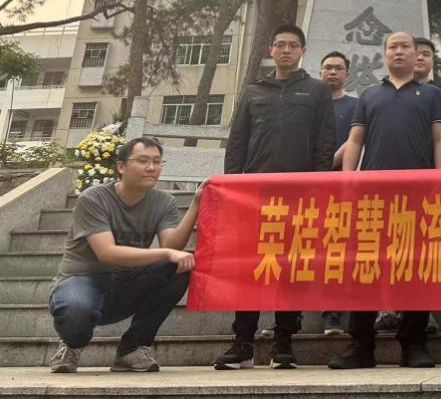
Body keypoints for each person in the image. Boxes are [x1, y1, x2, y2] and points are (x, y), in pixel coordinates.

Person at [214, 24, 337, 370]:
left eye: (293, 45)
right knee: (250, 267)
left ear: (302, 52)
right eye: (280, 45)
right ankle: (243, 342)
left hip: (299, 193)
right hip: (254, 194)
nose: (286, 50)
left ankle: (284, 342)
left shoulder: (316, 91)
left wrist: (318, 185)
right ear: (271, 50)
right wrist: (233, 185)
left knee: (291, 267)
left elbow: (325, 141)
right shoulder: (254, 91)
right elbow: (237, 141)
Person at [328, 31, 441, 370]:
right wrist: (348, 181)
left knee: (416, 268)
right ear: (385, 54)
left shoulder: (432, 94)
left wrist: (439, 181)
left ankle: (414, 344)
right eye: (392, 47)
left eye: (405, 46)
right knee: (367, 268)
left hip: (418, 196)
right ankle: (360, 345)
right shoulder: (369, 95)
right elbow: (355, 140)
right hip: (372, 197)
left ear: (416, 54)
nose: (399, 51)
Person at [48, 136, 200, 373]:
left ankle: (132, 348)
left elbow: (172, 245)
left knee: (179, 268)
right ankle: (71, 344)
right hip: (83, 280)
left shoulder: (164, 202)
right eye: (143, 161)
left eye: (157, 161)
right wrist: (167, 252)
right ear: (121, 166)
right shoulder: (94, 198)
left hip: (125, 285)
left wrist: (196, 205)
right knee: (77, 310)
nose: (151, 168)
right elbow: (107, 253)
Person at [320, 51, 357, 336]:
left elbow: (355, 139)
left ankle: (333, 315)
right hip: (308, 184)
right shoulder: (309, 103)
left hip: (342, 184)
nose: (332, 72)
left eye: (338, 68)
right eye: (327, 67)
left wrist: (328, 162)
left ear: (347, 74)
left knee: (338, 248)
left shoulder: (356, 105)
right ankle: (287, 316)